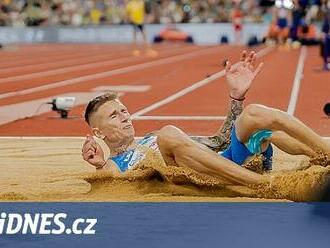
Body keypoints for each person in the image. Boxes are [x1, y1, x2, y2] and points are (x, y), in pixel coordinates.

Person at [82, 51, 330, 186]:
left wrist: (236, 98)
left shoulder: (152, 139)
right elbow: (109, 184)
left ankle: (325, 153)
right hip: (222, 179)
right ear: (98, 132)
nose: (125, 116)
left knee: (253, 115)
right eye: (114, 115)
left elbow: (218, 141)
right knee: (168, 132)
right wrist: (100, 165)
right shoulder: (114, 166)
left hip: (232, 161)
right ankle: (268, 186)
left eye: (124, 110)